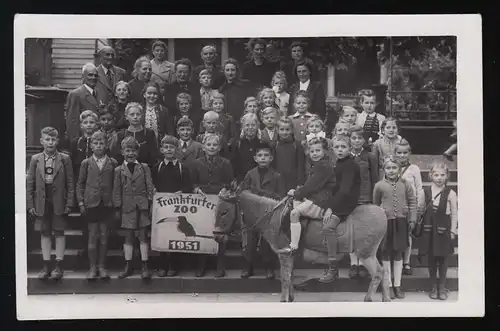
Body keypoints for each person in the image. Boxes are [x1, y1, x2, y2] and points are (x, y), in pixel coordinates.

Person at [27, 127, 75, 280]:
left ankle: (59, 265)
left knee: (59, 231)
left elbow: (70, 183)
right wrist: (30, 204)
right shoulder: (35, 159)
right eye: (47, 139)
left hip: (58, 201)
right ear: (41, 141)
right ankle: (46, 264)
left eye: (53, 139)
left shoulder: (64, 159)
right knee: (45, 233)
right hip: (42, 202)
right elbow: (30, 184)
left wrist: (69, 202)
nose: (50, 142)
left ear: (58, 141)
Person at [279, 137, 336, 256]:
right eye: (312, 151)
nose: (314, 154)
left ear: (325, 151)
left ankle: (293, 246)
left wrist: (296, 193)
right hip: (316, 197)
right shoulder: (319, 165)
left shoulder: (323, 166)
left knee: (294, 213)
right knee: (294, 203)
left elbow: (311, 186)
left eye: (318, 151)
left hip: (320, 201)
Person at [373, 155, 417, 299]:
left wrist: (412, 219)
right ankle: (388, 285)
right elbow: (375, 205)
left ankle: (397, 285)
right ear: (384, 169)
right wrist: (380, 213)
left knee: (398, 253)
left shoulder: (405, 184)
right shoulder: (379, 185)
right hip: (386, 223)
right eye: (388, 168)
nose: (391, 170)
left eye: (394, 168)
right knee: (385, 253)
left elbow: (412, 202)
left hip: (401, 222)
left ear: (399, 169)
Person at [191, 133, 235, 277]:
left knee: (220, 233)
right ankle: (201, 264)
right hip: (202, 202)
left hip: (220, 201)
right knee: (202, 231)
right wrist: (196, 189)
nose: (211, 147)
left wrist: (225, 189)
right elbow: (193, 182)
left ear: (220, 147)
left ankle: (220, 264)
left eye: (215, 145)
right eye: (208, 145)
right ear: (203, 147)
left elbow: (230, 183)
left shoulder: (226, 163)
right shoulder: (196, 163)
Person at [240, 142, 286, 279]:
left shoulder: (277, 176)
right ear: (255, 158)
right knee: (249, 241)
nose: (263, 158)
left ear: (271, 158)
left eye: (266, 155)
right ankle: (248, 266)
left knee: (267, 241)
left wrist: (262, 194)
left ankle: (268, 267)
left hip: (269, 215)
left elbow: (281, 197)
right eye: (260, 155)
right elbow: (244, 192)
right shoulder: (250, 174)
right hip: (252, 214)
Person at [76, 131, 118, 280]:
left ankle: (102, 266)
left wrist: (116, 204)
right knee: (93, 236)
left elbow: (116, 185)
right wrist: (81, 202)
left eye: (101, 143)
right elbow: (80, 184)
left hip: (107, 204)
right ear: (91, 146)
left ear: (106, 145)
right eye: (96, 143)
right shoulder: (86, 163)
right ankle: (92, 267)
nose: (99, 146)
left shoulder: (112, 163)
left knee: (104, 236)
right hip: (91, 204)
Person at [151, 135, 195, 277]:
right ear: (161, 149)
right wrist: (155, 193)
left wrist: (181, 192)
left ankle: (174, 265)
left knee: (176, 234)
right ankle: (162, 265)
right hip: (162, 207)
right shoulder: (157, 167)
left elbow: (188, 186)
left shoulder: (183, 168)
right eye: (166, 147)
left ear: (176, 149)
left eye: (171, 147)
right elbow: (153, 185)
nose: (169, 150)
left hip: (178, 206)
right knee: (163, 234)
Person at [319, 135, 361, 283]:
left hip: (346, 203)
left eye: (343, 147)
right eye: (337, 147)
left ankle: (333, 267)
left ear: (350, 148)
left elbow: (344, 190)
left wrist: (331, 208)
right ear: (332, 149)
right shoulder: (339, 163)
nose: (340, 150)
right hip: (340, 200)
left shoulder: (349, 165)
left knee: (328, 228)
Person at [113, 136, 156, 279]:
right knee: (129, 237)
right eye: (127, 150)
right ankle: (128, 265)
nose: (130, 154)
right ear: (122, 152)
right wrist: (118, 207)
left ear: (138, 152)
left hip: (142, 206)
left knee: (143, 236)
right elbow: (116, 190)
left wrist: (150, 203)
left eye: (133, 151)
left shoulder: (144, 168)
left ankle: (145, 265)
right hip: (127, 207)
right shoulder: (119, 170)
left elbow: (149, 186)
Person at [417, 162, 458, 301]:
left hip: (443, 230)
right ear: (430, 176)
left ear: (447, 176)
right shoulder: (425, 192)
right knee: (432, 259)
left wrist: (453, 231)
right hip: (428, 230)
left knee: (444, 258)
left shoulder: (451, 193)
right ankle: (433, 286)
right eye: (436, 175)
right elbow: (420, 210)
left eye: (442, 175)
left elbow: (454, 214)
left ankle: (442, 287)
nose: (439, 178)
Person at [347, 125, 378, 278]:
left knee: (364, 232)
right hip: (350, 199)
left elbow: (375, 179)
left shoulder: (370, 156)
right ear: (349, 139)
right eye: (354, 138)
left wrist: (373, 199)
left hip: (365, 198)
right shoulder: (345, 156)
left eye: (360, 138)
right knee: (352, 231)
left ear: (364, 140)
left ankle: (363, 262)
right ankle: (353, 263)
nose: (357, 141)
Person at [395, 139, 425, 276]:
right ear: (395, 153)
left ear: (409, 153)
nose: (402, 155)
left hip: (410, 206)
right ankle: (396, 260)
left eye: (405, 153)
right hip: (395, 206)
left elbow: (419, 188)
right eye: (399, 153)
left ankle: (406, 262)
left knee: (407, 234)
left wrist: (419, 207)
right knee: (395, 234)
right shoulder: (390, 167)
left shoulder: (414, 169)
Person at [65, 63, 105, 143]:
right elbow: (72, 121)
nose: (93, 78)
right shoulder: (76, 94)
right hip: (82, 140)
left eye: (95, 75)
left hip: (97, 140)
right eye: (90, 75)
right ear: (83, 77)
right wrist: (75, 141)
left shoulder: (100, 93)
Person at [113, 102, 159, 168]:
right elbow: (117, 156)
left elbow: (153, 155)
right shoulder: (121, 134)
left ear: (142, 116)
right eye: (132, 114)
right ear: (126, 116)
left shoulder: (149, 133)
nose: (135, 117)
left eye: (138, 114)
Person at [272, 117, 305, 192]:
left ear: (292, 130)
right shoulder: (275, 145)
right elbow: (272, 165)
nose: (284, 132)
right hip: (279, 180)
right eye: (282, 129)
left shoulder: (297, 145)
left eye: (287, 129)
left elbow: (301, 165)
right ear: (277, 130)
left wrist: (300, 183)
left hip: (293, 180)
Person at [141, 81, 175, 145]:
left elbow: (170, 130)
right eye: (149, 93)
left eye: (155, 93)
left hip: (160, 144)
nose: (152, 96)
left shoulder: (164, 110)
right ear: (144, 94)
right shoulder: (139, 109)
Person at [230, 113, 261, 182]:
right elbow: (233, 164)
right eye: (247, 125)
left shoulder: (262, 143)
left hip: (258, 180)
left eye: (253, 125)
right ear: (242, 127)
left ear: (257, 126)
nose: (250, 127)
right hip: (241, 180)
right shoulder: (237, 143)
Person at [69, 110, 99, 181]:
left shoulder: (100, 142)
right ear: (81, 126)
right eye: (85, 122)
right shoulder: (75, 142)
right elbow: (71, 164)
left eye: (91, 122)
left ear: (96, 125)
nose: (88, 125)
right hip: (79, 179)